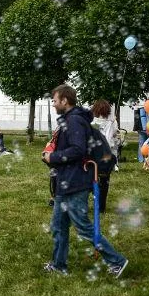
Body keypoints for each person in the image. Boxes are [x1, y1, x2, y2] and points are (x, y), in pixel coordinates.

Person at [42, 84, 128, 278]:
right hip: (67, 181)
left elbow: (77, 150)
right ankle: (58, 265)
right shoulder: (71, 120)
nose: (53, 104)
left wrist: (52, 158)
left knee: (83, 226)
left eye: (55, 100)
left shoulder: (74, 121)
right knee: (58, 226)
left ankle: (117, 261)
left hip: (76, 181)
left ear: (65, 100)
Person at [91, 100, 119, 214]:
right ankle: (101, 206)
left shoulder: (91, 122)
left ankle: (96, 199)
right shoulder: (112, 122)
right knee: (105, 181)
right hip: (107, 155)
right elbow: (115, 138)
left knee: (92, 179)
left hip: (94, 155)